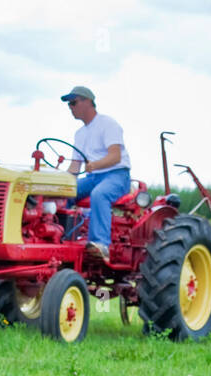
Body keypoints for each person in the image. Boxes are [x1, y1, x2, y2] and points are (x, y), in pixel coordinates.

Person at [60, 85, 131, 260]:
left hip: (116, 175)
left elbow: (115, 156)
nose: (71, 108)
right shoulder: (79, 134)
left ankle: (100, 244)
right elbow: (74, 168)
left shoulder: (108, 124)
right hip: (93, 177)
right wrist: (58, 183)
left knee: (99, 194)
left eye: (73, 102)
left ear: (88, 102)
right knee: (63, 193)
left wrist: (96, 165)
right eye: (69, 104)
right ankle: (62, 237)